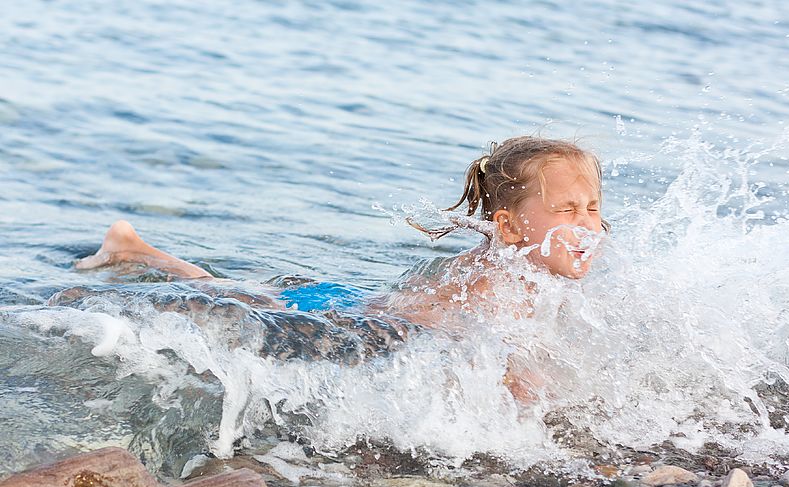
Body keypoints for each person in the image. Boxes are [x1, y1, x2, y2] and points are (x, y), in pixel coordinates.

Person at [72, 136, 608, 399]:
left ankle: (133, 249)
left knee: (238, 290)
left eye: (593, 208)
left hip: (361, 308)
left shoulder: (529, 273)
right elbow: (496, 361)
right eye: (566, 210)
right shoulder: (497, 277)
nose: (586, 225)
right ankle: (131, 251)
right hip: (355, 323)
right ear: (510, 228)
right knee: (228, 297)